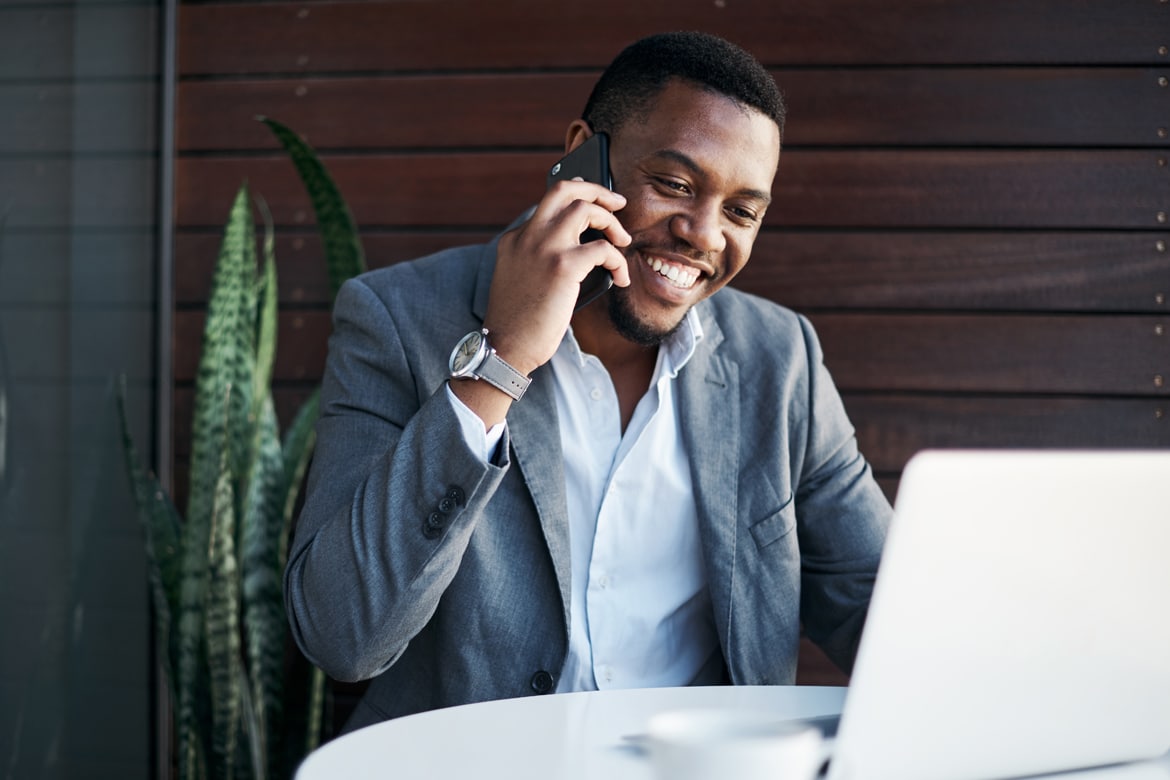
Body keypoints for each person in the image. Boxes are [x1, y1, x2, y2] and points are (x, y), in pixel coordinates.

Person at [284, 31, 892, 732]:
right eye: (674, 184)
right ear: (583, 155)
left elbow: (881, 608)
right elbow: (340, 636)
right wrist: (501, 359)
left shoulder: (779, 359)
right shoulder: (395, 319)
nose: (703, 233)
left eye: (741, 212)